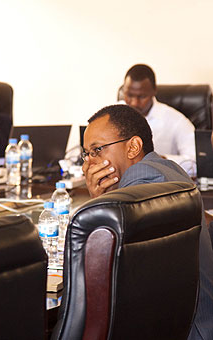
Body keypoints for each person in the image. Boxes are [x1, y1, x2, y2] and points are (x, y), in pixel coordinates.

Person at [82, 104, 213, 340]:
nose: (89, 164)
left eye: (97, 150)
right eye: (87, 154)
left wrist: (99, 202)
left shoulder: (145, 179)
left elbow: (104, 268)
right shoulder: (168, 169)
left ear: (133, 146)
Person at [121, 64, 196, 176]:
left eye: (141, 97)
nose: (134, 103)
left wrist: (161, 161)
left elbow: (196, 163)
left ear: (154, 91)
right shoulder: (112, 116)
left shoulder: (176, 120)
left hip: (158, 185)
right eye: (129, 95)